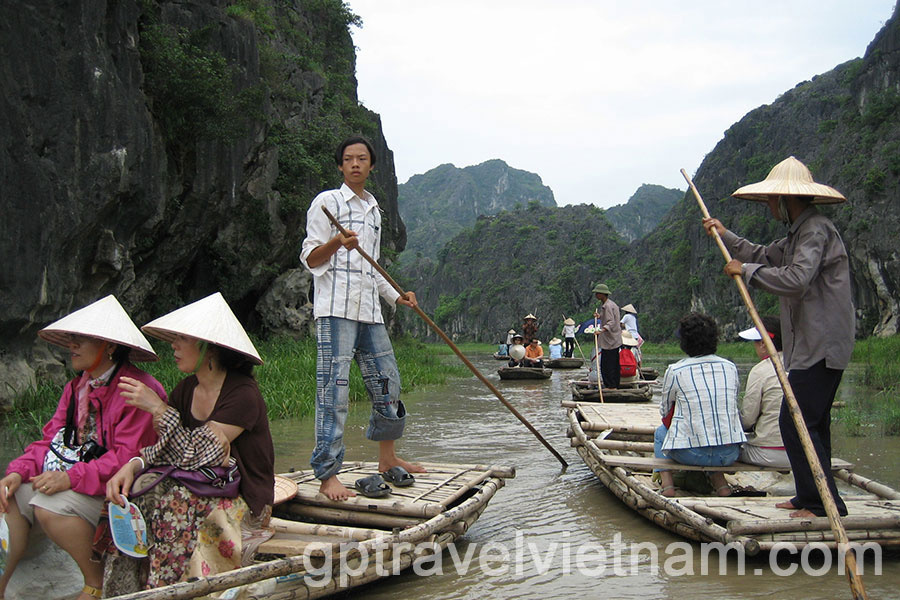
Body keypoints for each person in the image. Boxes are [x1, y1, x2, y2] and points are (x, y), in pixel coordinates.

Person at [702, 156, 852, 518]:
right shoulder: (798, 234)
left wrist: (746, 272)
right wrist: (726, 236)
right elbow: (764, 255)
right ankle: (815, 497)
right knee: (811, 423)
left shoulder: (815, 230)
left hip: (823, 344)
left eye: (773, 198)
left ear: (787, 200)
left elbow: (796, 279)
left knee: (796, 421)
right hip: (809, 344)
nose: (770, 205)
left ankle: (819, 503)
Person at [103, 292, 275, 592]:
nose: (174, 345)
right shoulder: (186, 390)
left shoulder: (243, 394)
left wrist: (159, 409)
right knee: (135, 494)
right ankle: (125, 590)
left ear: (209, 347)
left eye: (182, 338)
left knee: (174, 504)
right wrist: (133, 466)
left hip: (242, 495)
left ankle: (168, 591)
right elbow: (168, 450)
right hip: (198, 485)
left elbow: (201, 454)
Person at [0, 296, 164, 600]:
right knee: (9, 498)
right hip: (82, 479)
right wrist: (16, 472)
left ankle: (95, 584)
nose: (72, 345)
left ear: (109, 346)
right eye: (72, 338)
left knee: (50, 506)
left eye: (81, 339)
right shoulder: (77, 387)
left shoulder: (136, 390)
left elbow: (127, 457)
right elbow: (51, 442)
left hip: (120, 489)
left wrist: (69, 478)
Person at [300, 136, 424, 502]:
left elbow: (374, 269)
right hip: (335, 311)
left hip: (370, 312)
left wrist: (397, 296)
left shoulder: (374, 211)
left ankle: (387, 458)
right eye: (349, 159)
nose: (355, 164)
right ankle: (327, 474)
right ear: (340, 165)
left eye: (362, 159)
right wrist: (337, 243)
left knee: (388, 383)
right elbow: (310, 258)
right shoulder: (327, 202)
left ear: (371, 166)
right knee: (333, 392)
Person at [654, 313, 746, 497]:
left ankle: (667, 486)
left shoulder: (675, 370)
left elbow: (664, 411)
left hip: (691, 454)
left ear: (684, 343)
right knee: (713, 431)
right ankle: (722, 487)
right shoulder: (730, 367)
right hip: (729, 454)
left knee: (660, 433)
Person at [738, 316, 791, 469]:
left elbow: (747, 420)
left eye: (755, 343)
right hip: (801, 453)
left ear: (763, 344)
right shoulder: (799, 365)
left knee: (727, 449)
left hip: (767, 453)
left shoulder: (760, 371)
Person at [591, 283, 622, 389]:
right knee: (613, 363)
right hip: (613, 339)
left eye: (597, 293)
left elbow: (611, 322)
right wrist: (599, 316)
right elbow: (608, 318)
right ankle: (614, 384)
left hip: (610, 340)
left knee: (607, 364)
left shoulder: (608, 306)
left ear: (602, 294)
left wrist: (601, 330)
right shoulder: (609, 305)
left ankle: (611, 385)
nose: (596, 295)